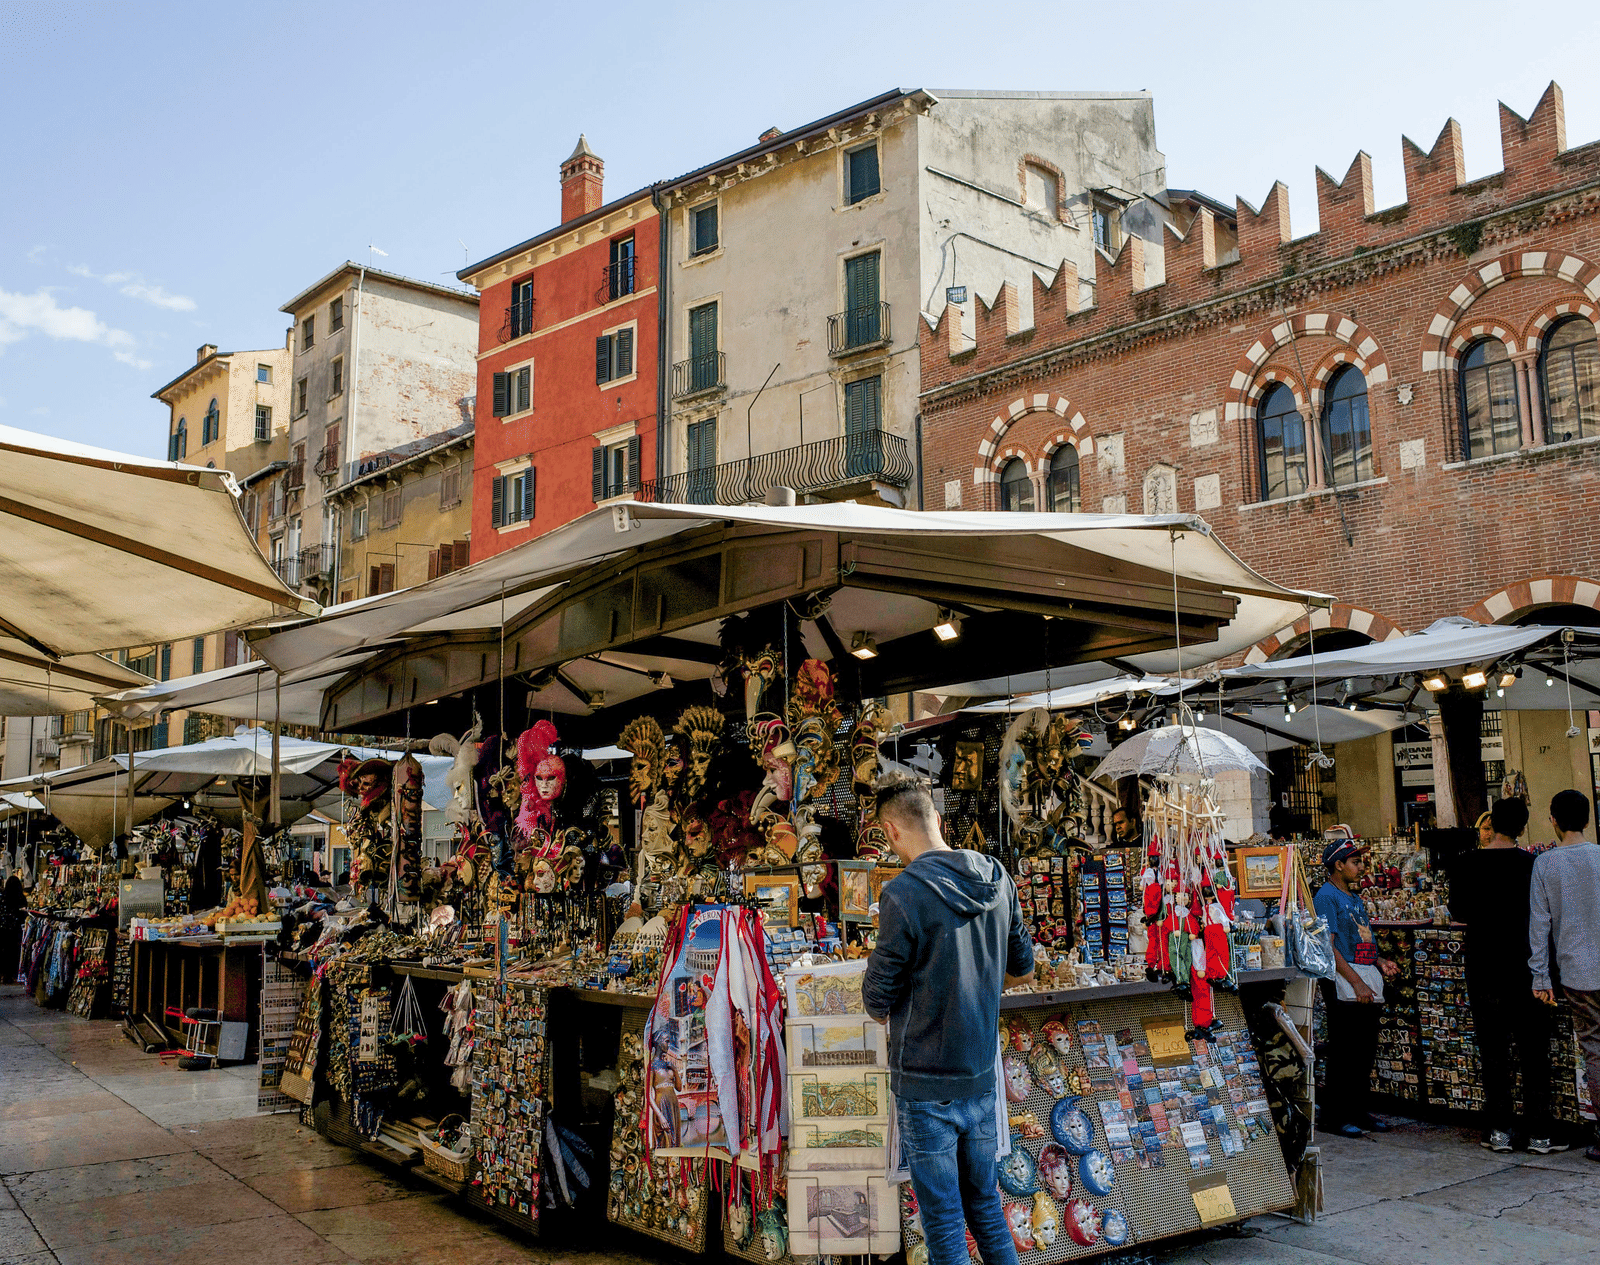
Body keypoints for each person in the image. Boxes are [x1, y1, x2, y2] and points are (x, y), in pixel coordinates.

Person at [863, 775, 1034, 1265]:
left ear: (892, 832)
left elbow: (877, 999)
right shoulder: (997, 877)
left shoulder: (902, 894)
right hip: (980, 1078)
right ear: (937, 819)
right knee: (986, 1210)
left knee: (943, 1222)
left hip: (925, 1084)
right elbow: (1023, 971)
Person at [1450, 797, 1562, 1153]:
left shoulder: (1466, 863)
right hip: (1528, 967)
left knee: (1494, 1050)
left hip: (1484, 966)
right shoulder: (1533, 865)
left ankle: (1499, 1130)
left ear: (1492, 825)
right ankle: (1540, 1133)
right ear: (1523, 828)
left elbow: (1459, 910)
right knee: (1534, 1052)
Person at [1312, 836, 1399, 1137]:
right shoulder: (1326, 897)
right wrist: (1357, 981)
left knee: (1364, 1051)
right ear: (1338, 865)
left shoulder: (1354, 898)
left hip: (1360, 977)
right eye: (1355, 862)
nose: (1361, 867)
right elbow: (1329, 947)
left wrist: (1379, 962)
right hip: (1345, 982)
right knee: (1345, 1052)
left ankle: (1358, 1111)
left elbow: (1362, 943)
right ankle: (1336, 1116)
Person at [1530, 789, 1600, 1163]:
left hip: (1577, 972)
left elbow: (1539, 925)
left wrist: (1540, 978)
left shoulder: (1546, 864)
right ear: (1588, 819)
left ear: (1553, 820)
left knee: (1595, 1050)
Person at [1, 868, 27, 982]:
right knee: (14, 952)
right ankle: (13, 975)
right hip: (16, 929)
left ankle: (4, 974)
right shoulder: (21, 898)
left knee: (4, 952)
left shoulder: (3, 897)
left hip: (3, 929)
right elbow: (24, 912)